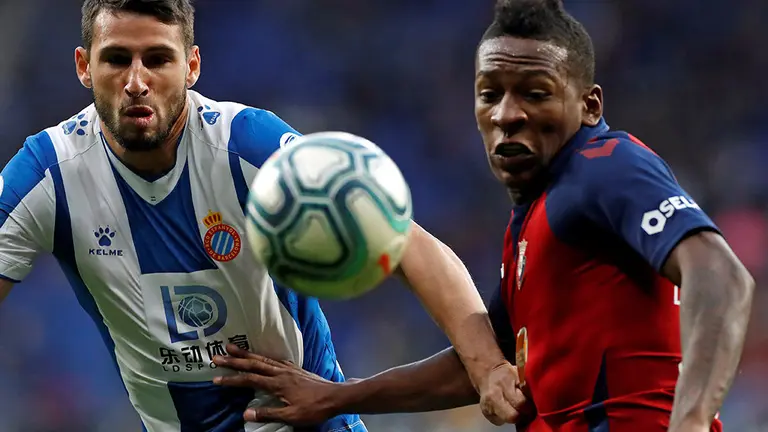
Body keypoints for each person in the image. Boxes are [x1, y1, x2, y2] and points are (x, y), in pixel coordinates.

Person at [212, 0, 755, 431]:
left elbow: (722, 275)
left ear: (589, 106)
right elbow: (479, 366)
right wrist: (336, 397)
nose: (506, 115)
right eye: (489, 94)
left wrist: (687, 422)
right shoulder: (537, 215)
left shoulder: (605, 167)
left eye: (535, 94)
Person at [0, 0, 523, 431]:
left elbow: (408, 243)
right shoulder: (46, 174)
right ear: (84, 66)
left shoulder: (248, 144)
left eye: (157, 59)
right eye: (117, 59)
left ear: (192, 65)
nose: (136, 81)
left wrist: (490, 368)